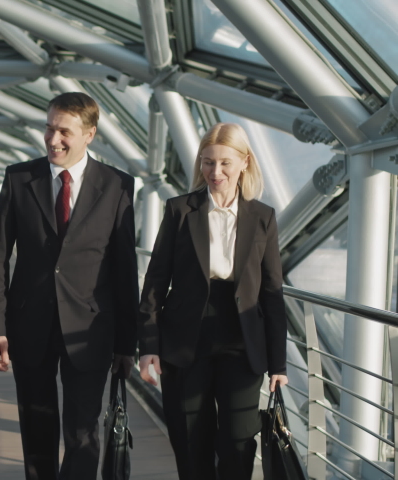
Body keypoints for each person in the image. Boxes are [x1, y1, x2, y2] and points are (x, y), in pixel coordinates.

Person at [0, 92, 139, 480]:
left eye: (64, 131)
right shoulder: (20, 179)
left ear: (89, 135)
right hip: (28, 324)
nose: (53, 139)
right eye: (49, 128)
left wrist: (126, 344)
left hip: (91, 330)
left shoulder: (118, 185)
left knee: (84, 433)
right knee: (36, 428)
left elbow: (124, 270)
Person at [138, 122, 289, 479]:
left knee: (239, 445)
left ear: (244, 162)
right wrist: (148, 346)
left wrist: (279, 364)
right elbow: (156, 282)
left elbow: (272, 292)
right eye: (207, 162)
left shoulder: (262, 216)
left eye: (224, 163)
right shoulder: (179, 210)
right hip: (184, 341)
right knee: (191, 445)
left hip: (242, 341)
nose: (215, 172)